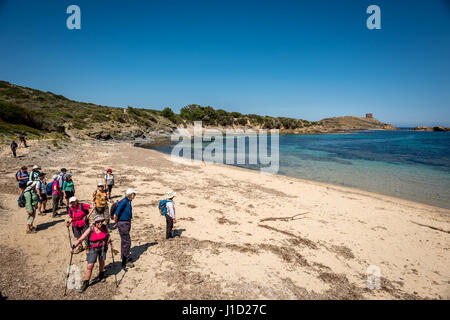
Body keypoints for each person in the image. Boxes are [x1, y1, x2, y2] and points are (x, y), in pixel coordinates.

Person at [70, 215, 113, 293]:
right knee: (90, 265)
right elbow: (81, 238)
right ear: (95, 222)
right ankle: (86, 283)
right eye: (98, 222)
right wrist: (74, 246)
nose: (100, 223)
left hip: (103, 247)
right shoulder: (91, 229)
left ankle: (101, 275)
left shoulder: (104, 227)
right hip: (93, 248)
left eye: (101, 221)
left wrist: (110, 241)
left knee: (102, 262)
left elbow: (108, 235)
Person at [113, 188, 136, 268]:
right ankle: (126, 261)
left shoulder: (128, 201)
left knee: (124, 241)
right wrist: (116, 223)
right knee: (127, 242)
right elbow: (116, 214)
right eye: (134, 194)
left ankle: (124, 258)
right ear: (130, 194)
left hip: (126, 223)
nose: (135, 195)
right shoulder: (124, 202)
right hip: (123, 224)